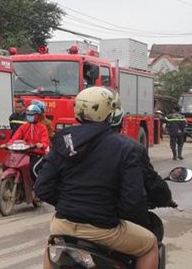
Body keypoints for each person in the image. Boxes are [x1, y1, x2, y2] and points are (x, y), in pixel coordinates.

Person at [34, 86, 158, 269]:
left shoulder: (62, 140)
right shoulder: (125, 147)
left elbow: (42, 188)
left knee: (52, 244)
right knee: (150, 245)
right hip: (103, 229)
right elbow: (133, 200)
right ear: (109, 112)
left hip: (63, 223)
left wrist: (68, 205)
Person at [110, 107, 175, 227]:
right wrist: (165, 198)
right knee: (151, 244)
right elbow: (150, 180)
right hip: (107, 221)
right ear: (120, 122)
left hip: (68, 219)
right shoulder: (131, 149)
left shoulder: (70, 143)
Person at [9, 104, 50, 183]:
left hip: (38, 154)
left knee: (33, 169)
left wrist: (41, 145)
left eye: (32, 115)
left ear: (38, 116)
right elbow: (14, 138)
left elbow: (45, 141)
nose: (30, 117)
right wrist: (8, 144)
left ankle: (39, 187)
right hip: (25, 153)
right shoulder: (23, 127)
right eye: (28, 115)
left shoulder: (42, 127)